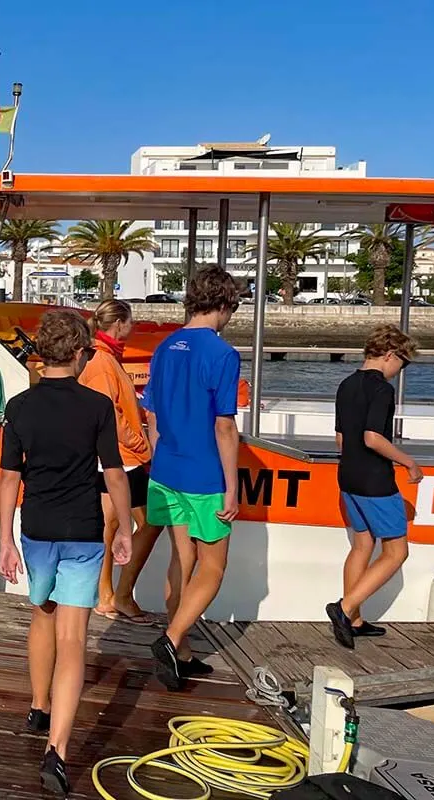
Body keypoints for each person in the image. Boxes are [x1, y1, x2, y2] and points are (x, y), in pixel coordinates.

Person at [0, 308, 133, 797]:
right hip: (82, 528)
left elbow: (10, 476)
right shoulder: (96, 406)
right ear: (79, 353)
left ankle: (39, 705)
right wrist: (126, 528)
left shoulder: (19, 407)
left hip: (36, 528)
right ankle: (57, 749)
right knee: (74, 639)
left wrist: (6, 540)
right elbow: (114, 473)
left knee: (42, 612)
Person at [141, 266, 242, 692]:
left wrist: (158, 453)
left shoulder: (165, 347)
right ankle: (171, 639)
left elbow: (153, 413)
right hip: (204, 475)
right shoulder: (222, 354)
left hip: (167, 469)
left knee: (181, 560)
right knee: (214, 567)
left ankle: (181, 654)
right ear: (223, 305)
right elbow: (225, 427)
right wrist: (233, 486)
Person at [326, 324, 420, 649]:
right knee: (397, 552)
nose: (400, 371)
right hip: (374, 479)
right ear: (391, 355)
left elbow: (341, 439)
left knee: (362, 546)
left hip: (347, 476)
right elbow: (373, 437)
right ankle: (344, 608)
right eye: (402, 364)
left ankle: (353, 621)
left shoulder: (346, 384)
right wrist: (408, 462)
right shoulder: (381, 389)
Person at [79, 299, 163, 625]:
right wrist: (140, 443)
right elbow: (108, 415)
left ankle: (108, 595)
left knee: (109, 524)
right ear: (119, 324)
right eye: (131, 322)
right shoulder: (102, 361)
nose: (134, 328)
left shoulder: (103, 357)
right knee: (151, 521)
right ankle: (118, 594)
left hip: (115, 456)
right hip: (121, 458)